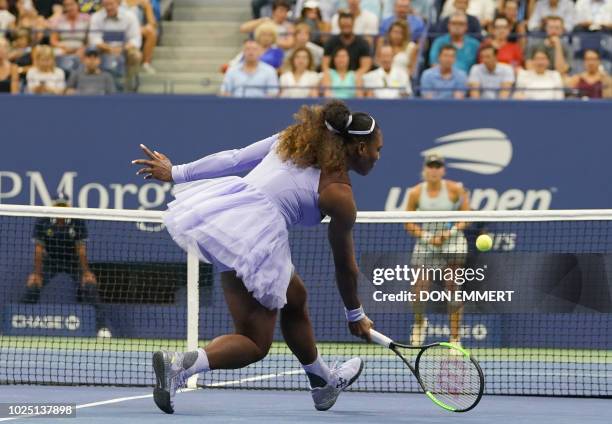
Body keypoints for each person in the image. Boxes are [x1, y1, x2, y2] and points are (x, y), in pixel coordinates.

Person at [132, 100, 382, 414]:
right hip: (256, 234)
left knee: (295, 297)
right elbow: (345, 266)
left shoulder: (294, 139)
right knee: (254, 342)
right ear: (359, 147)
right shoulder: (338, 194)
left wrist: (176, 172)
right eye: (377, 149)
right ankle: (179, 366)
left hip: (225, 219)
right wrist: (355, 314)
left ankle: (321, 382)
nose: (378, 156)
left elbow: (234, 158)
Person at [21, 192, 111, 338]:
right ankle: (15, 322)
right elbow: (38, 250)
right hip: (50, 261)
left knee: (90, 288)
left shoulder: (77, 221)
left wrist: (86, 273)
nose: (61, 209)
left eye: (63, 206)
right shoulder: (43, 221)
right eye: (58, 206)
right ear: (53, 206)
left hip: (73, 261)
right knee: (33, 287)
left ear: (68, 206)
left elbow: (81, 250)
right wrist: (36, 274)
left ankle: (102, 327)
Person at [404, 153, 470, 347]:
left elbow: (466, 217)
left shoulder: (455, 189)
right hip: (427, 243)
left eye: (437, 166)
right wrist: (427, 237)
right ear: (425, 170)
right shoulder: (415, 193)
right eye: (430, 166)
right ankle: (419, 323)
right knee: (418, 292)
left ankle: (455, 340)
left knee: (453, 289)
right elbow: (407, 222)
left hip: (452, 242)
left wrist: (448, 233)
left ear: (443, 170)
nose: (434, 170)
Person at [89, 0, 142, 91]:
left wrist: (122, 49)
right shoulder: (96, 17)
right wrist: (110, 49)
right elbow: (94, 39)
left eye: (111, 4)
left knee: (136, 55)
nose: (109, 7)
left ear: (118, 3)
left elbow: (135, 39)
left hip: (124, 49)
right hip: (103, 49)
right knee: (90, 51)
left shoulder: (130, 16)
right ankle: (96, 87)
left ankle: (129, 85)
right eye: (106, 4)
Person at [322, 11, 371, 75]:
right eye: (343, 25)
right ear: (339, 25)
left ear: (353, 24)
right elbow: (325, 64)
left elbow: (366, 66)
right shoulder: (330, 42)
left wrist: (353, 77)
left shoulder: (363, 43)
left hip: (356, 77)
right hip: (334, 77)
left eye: (348, 25)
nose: (346, 28)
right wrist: (330, 76)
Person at [50, 0, 90, 73]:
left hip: (81, 47)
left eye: (72, 4)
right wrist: (64, 47)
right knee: (55, 52)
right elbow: (53, 41)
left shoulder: (87, 18)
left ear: (77, 5)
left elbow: (89, 39)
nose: (69, 8)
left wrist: (83, 48)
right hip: (63, 47)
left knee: (89, 53)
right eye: (66, 5)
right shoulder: (58, 20)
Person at [122, 0, 157, 74]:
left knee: (151, 32)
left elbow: (152, 23)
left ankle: (146, 63)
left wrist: (147, 7)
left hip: (136, 29)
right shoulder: (117, 2)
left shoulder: (144, 2)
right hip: (119, 29)